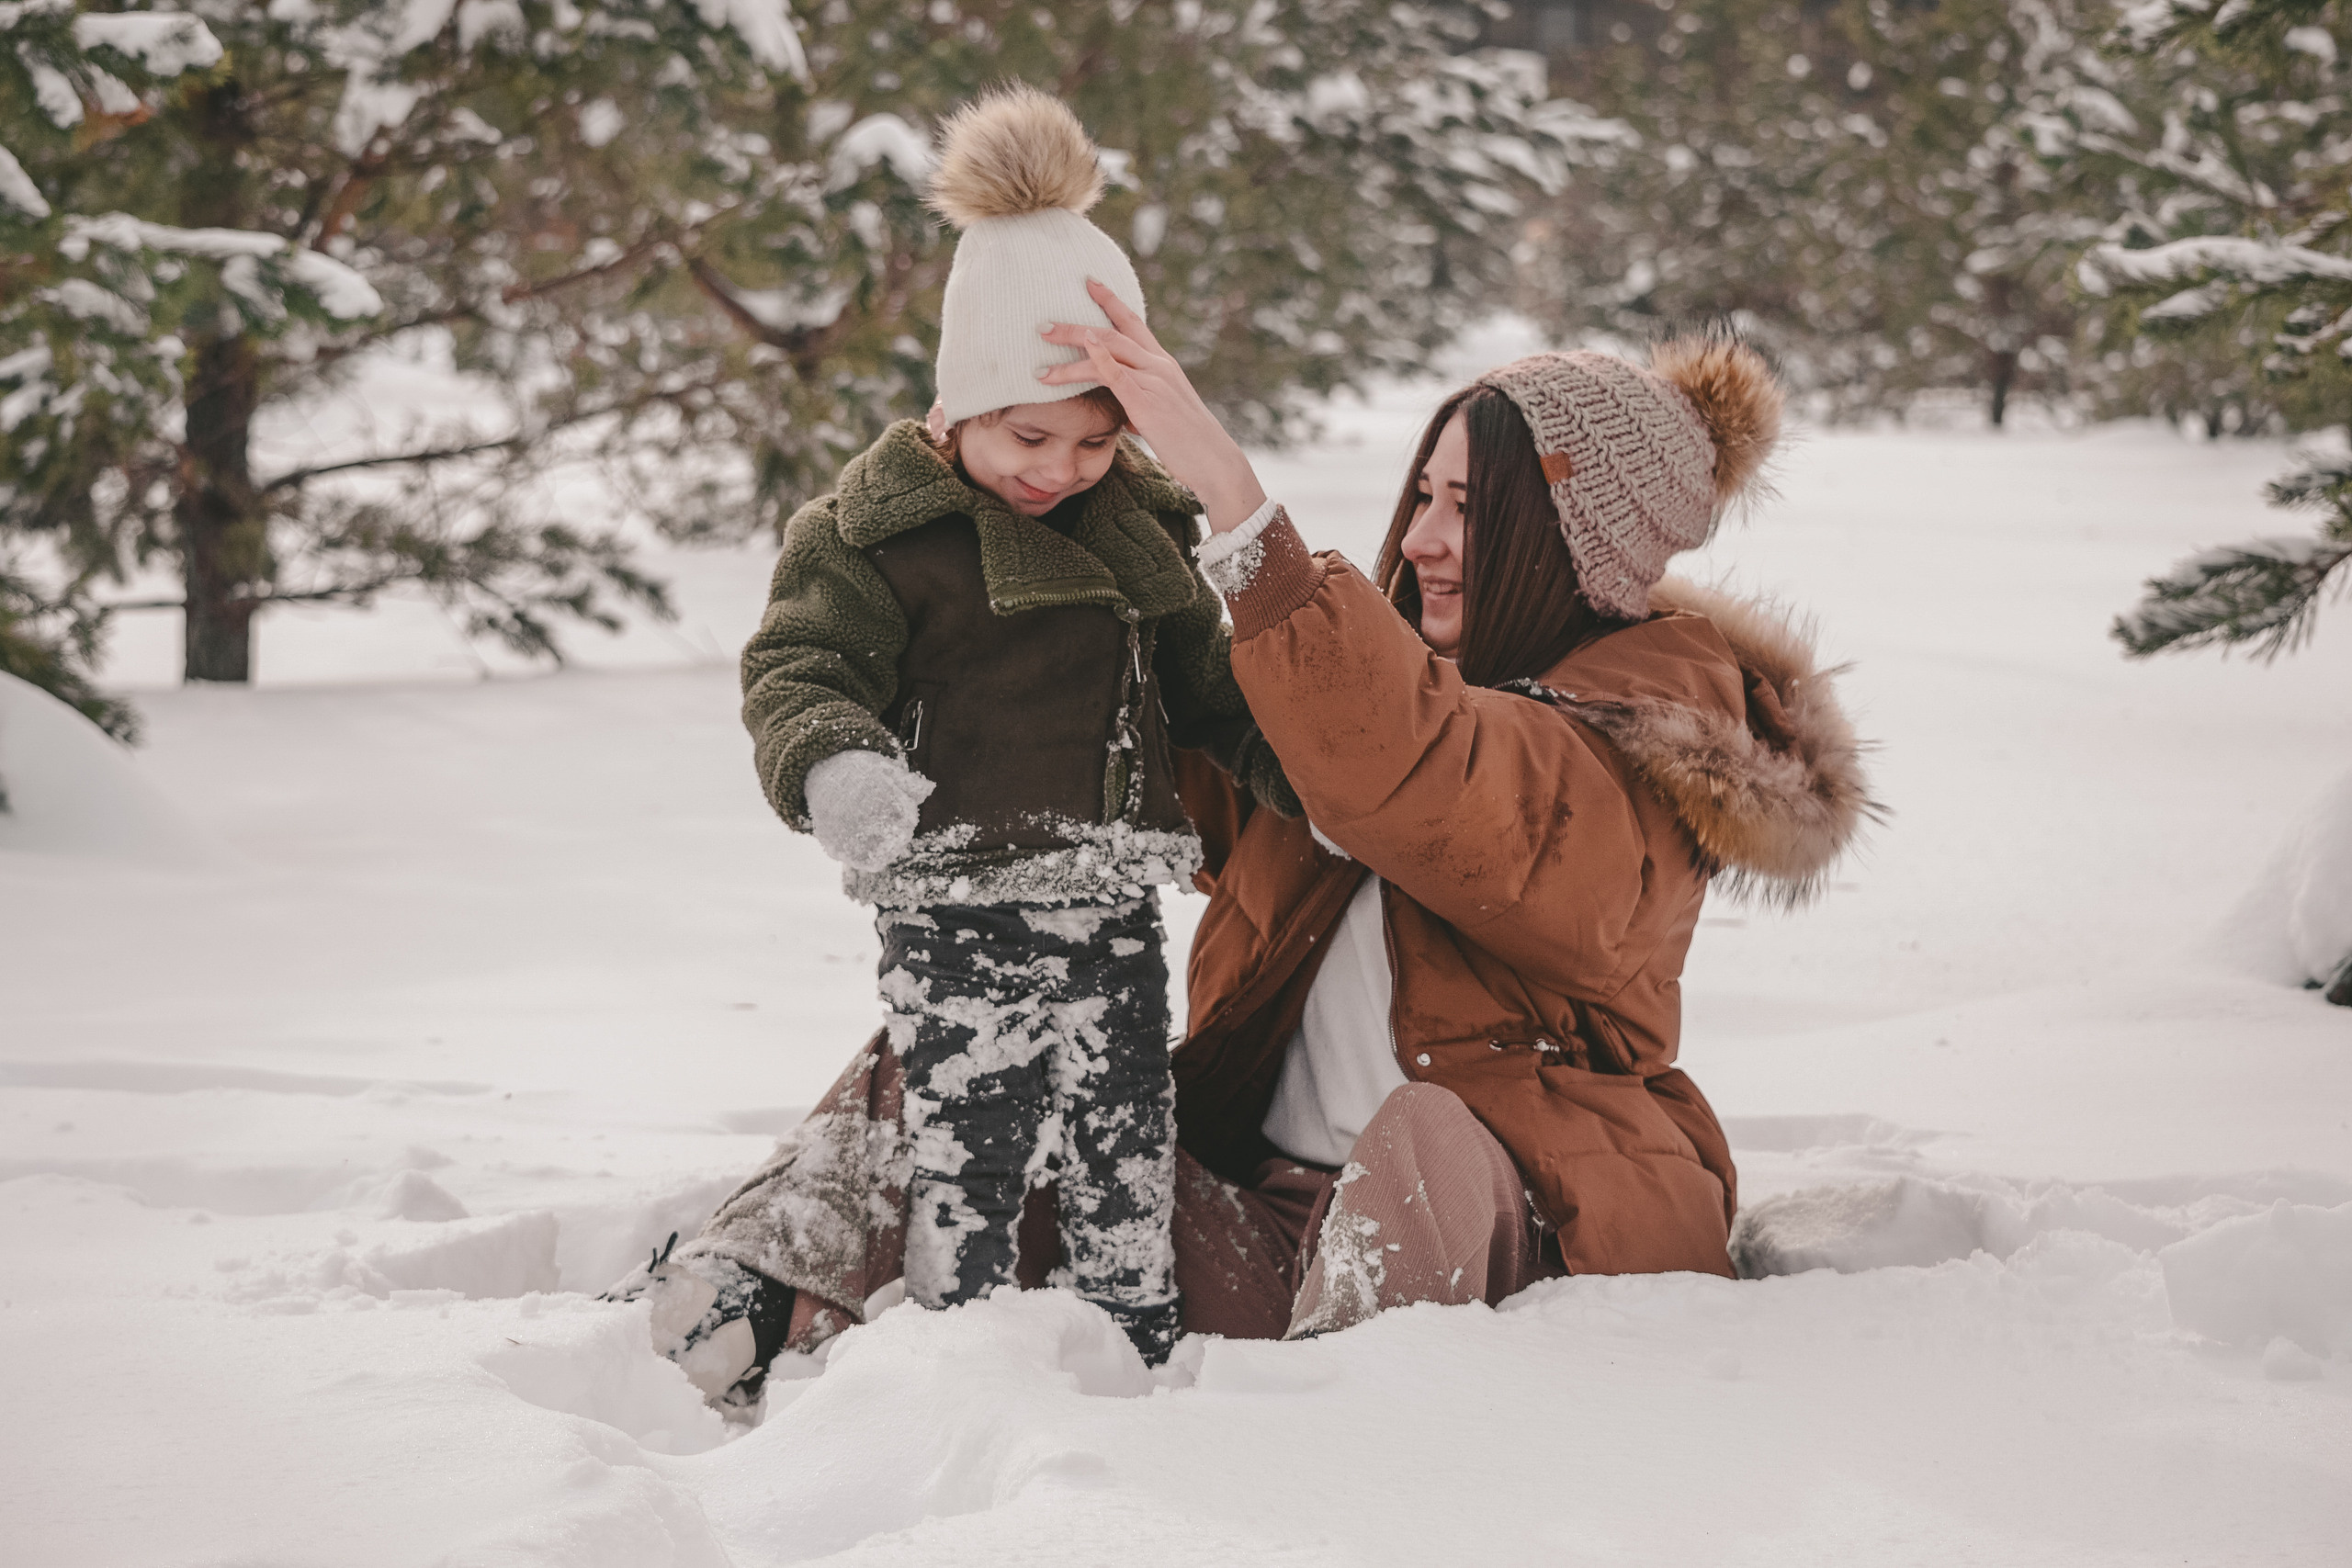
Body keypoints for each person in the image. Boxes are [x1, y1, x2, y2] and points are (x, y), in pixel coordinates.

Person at [617, 294, 1877, 1397]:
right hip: (1264, 1232)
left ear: (1582, 547)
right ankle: (746, 1301)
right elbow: (1157, 752)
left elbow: (1437, 776)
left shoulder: (1651, 741)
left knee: (1424, 1132)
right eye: (1424, 498)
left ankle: (1328, 1443)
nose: (1427, 539)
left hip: (1506, 1229)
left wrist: (1230, 494)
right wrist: (1005, 552)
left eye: (1474, 511)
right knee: (982, 1031)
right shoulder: (1370, 685)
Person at [604, 88, 1288, 1404]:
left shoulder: (1138, 528)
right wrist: (832, 763)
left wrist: (1306, 773)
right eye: (1030, 434)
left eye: (1096, 439)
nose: (1062, 466)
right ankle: (960, 1347)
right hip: (955, 889)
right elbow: (802, 664)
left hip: (1108, 889)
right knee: (968, 1132)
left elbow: (1207, 687)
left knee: (1121, 1132)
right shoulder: (875, 533)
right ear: (961, 405)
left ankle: (1133, 1343)